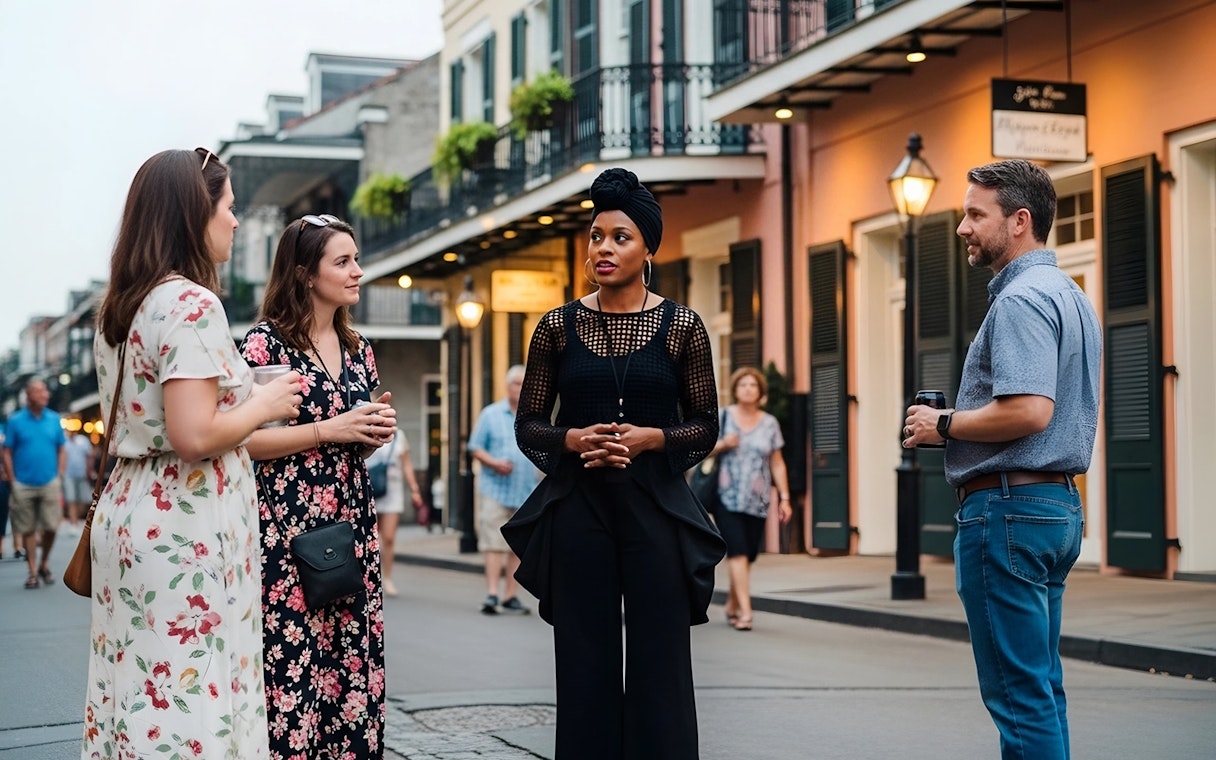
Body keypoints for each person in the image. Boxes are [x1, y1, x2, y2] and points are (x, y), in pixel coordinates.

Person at [83, 148, 303, 758]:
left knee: (137, 693)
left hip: (132, 509)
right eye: (228, 207)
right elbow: (194, 434)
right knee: (193, 696)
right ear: (193, 213)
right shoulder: (190, 304)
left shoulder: (123, 307)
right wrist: (265, 400)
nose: (234, 221)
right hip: (185, 521)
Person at [503, 167, 725, 760]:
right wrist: (571, 440)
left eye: (620, 236)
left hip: (655, 509)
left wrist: (655, 438)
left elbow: (706, 424)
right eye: (596, 236)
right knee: (584, 662)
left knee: (661, 663)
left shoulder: (682, 326)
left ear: (647, 247)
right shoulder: (556, 326)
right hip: (579, 509)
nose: (604, 248)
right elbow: (528, 425)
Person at [903, 159, 1101, 760]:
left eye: (974, 214)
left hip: (1008, 511)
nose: (963, 226)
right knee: (1040, 689)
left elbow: (1030, 410)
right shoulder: (1072, 296)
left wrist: (942, 423)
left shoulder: (1020, 299)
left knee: (1018, 697)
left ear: (1019, 221)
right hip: (1055, 506)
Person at [240, 213, 395, 759]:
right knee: (293, 662)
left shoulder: (359, 347)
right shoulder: (264, 346)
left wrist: (370, 433)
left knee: (351, 656)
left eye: (356, 259)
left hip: (351, 522)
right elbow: (244, 442)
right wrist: (329, 429)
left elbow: (352, 436)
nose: (357, 271)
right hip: (286, 528)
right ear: (306, 273)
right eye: (343, 261)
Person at [711, 367, 792, 632]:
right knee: (737, 551)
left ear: (760, 392)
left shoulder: (769, 423)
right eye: (743, 385)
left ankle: (733, 604)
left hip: (758, 499)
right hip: (727, 495)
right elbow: (700, 449)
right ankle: (745, 611)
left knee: (748, 555)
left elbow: (777, 463)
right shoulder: (723, 417)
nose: (748, 389)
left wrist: (784, 498)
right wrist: (723, 444)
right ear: (735, 390)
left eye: (753, 385)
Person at [468, 364, 539, 615]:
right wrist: (494, 463)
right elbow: (475, 447)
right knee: (493, 542)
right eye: (515, 383)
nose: (520, 388)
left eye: (523, 383)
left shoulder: (533, 418)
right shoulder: (491, 414)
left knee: (517, 546)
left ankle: (511, 595)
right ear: (507, 386)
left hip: (525, 490)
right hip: (495, 489)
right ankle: (491, 594)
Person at [3, 379, 66, 588]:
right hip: (23, 483)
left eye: (45, 390)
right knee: (28, 529)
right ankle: (32, 571)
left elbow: (61, 448)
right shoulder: (15, 421)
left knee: (51, 527)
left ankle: (44, 563)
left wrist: (60, 475)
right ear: (28, 396)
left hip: (49, 481)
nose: (45, 394)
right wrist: (13, 480)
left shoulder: (54, 419)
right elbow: (7, 452)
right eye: (39, 391)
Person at [369, 428, 424, 597]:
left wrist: (414, 489)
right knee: (370, 539)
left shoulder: (398, 434)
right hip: (369, 489)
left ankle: (387, 578)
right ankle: (370, 578)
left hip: (392, 491)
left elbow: (406, 463)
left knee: (389, 538)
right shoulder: (366, 429)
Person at [62, 428, 95, 531]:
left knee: (83, 500)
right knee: (71, 499)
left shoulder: (83, 440)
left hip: (82, 475)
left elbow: (89, 456)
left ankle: (78, 519)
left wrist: (89, 470)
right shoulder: (63, 441)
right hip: (68, 475)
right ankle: (73, 522)